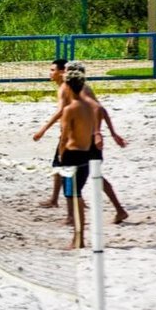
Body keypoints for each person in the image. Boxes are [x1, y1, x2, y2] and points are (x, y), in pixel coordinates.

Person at [33, 59, 128, 224]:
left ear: (64, 72)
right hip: (82, 137)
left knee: (68, 172)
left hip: (81, 140)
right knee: (78, 172)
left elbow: (96, 108)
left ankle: (72, 213)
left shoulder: (72, 89)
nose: (51, 72)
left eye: (53, 69)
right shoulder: (74, 88)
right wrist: (109, 133)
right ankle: (64, 203)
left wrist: (43, 129)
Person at [58, 69, 95, 249]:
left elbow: (64, 137)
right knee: (77, 196)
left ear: (69, 87)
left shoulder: (70, 109)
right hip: (86, 156)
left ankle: (78, 239)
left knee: (74, 197)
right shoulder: (89, 106)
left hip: (72, 157)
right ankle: (79, 237)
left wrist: (60, 155)